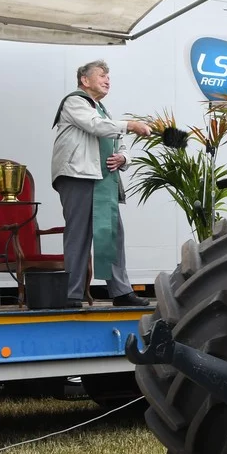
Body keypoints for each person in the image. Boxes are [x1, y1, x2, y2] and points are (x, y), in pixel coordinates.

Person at [51, 60, 153, 308]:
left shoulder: (103, 111)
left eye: (109, 76)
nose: (107, 80)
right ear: (85, 80)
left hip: (102, 178)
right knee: (79, 234)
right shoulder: (75, 101)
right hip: (78, 175)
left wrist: (124, 158)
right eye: (102, 75)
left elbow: (118, 141)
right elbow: (95, 127)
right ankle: (72, 294)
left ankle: (121, 292)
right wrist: (130, 125)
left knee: (112, 234)